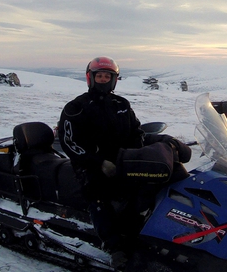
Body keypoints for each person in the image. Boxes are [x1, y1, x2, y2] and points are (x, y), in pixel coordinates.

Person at [58, 56, 189, 266]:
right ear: (90, 78)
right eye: (98, 76)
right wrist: (98, 162)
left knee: (151, 182)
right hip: (90, 164)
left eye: (106, 76)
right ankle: (114, 245)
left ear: (114, 79)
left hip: (122, 159)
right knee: (98, 192)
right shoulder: (76, 107)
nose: (102, 80)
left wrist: (158, 145)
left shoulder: (121, 104)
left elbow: (136, 133)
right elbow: (69, 142)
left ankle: (144, 226)